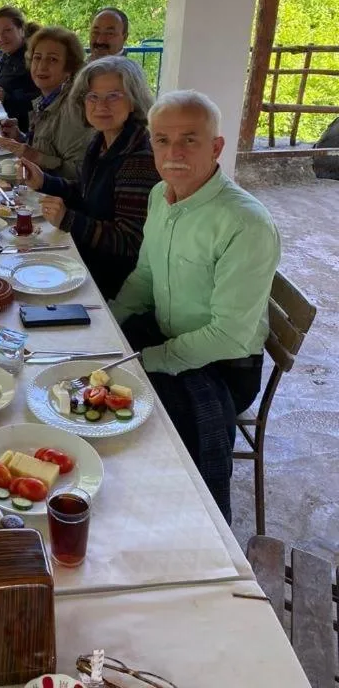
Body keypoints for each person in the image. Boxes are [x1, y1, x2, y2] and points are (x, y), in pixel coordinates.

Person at [110, 90, 281, 522]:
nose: (174, 153)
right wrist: (110, 320)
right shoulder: (159, 195)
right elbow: (146, 277)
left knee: (140, 425)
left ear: (217, 147)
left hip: (225, 366)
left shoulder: (245, 223)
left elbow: (227, 335)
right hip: (167, 335)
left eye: (190, 139)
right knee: (80, 370)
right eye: (163, 140)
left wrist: (148, 360)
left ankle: (177, 525)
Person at [20, 56, 160, 300]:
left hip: (111, 283)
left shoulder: (138, 158)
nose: (101, 106)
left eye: (114, 96)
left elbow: (130, 242)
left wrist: (68, 220)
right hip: (86, 260)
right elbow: (88, 193)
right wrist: (45, 182)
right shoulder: (102, 141)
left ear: (133, 101)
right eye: (93, 97)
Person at [0, 25, 93, 179]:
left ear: (69, 68)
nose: (41, 66)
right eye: (37, 57)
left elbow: (82, 173)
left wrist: (34, 156)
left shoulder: (74, 110)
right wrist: (20, 137)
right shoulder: (46, 100)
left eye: (52, 60)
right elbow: (49, 147)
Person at [0, 6, 39, 134]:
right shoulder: (7, 53)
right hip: (0, 123)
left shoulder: (34, 58)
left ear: (21, 30)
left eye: (7, 30)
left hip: (23, 132)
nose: (1, 37)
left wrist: (7, 97)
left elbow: (41, 100)